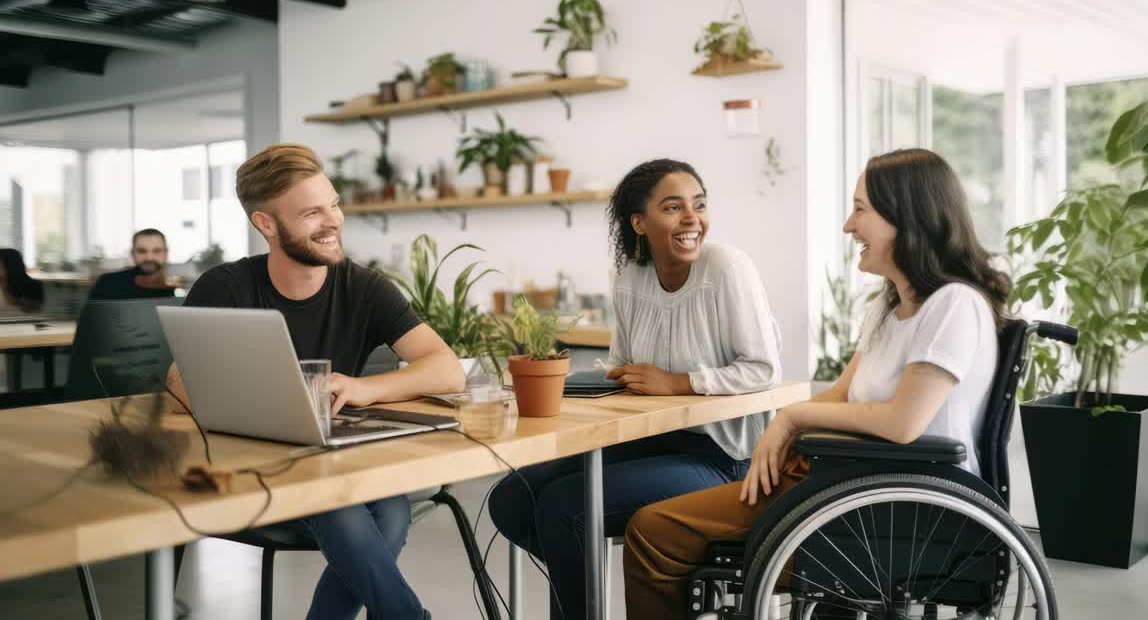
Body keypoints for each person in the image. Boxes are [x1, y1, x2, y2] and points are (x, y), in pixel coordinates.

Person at [622, 148, 1012, 615]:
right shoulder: (890, 306)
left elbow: (904, 423)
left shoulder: (953, 304)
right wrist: (788, 432)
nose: (849, 225)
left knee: (653, 532)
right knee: (659, 526)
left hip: (898, 513)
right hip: (841, 484)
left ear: (905, 216)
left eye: (861, 210)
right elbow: (841, 393)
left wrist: (792, 417)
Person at [166, 143, 465, 620]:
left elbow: (444, 367)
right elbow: (180, 381)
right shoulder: (225, 287)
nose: (334, 221)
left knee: (382, 509)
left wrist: (362, 388)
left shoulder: (363, 287)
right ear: (266, 224)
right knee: (372, 510)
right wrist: (270, 403)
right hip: (259, 467)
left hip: (339, 458)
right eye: (312, 213)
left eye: (334, 205)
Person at [487, 158, 782, 620]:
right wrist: (601, 382)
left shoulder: (726, 268)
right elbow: (624, 365)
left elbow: (763, 370)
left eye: (698, 205)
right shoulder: (630, 276)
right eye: (673, 207)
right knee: (513, 497)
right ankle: (582, 589)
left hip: (724, 457)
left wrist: (678, 383)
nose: (691, 219)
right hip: (647, 439)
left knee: (566, 509)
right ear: (639, 223)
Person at [88, 229, 176, 301]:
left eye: (157, 251)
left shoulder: (174, 289)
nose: (149, 258)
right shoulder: (107, 284)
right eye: (142, 251)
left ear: (166, 253)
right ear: (132, 253)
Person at [0, 248, 44, 314]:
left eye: (0, 267)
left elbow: (32, 312)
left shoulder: (34, 286)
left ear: (11, 267)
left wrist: (4, 287)